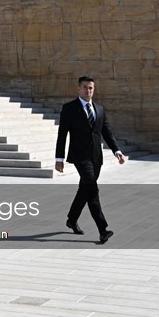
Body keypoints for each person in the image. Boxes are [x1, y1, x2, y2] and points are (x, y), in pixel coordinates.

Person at [55, 76, 126, 244]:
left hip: (96, 157)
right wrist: (59, 158)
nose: (88, 91)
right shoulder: (69, 108)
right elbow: (62, 135)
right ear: (78, 89)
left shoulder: (99, 109)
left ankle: (72, 219)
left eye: (91, 88)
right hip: (80, 157)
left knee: (84, 190)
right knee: (92, 190)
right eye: (85, 87)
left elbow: (106, 132)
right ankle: (103, 230)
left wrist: (117, 150)